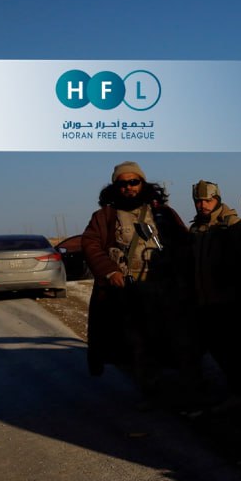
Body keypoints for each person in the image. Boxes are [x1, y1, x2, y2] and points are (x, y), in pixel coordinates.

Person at [81, 161, 191, 385]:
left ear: (143, 183)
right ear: (115, 187)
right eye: (123, 183)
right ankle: (151, 390)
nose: (129, 187)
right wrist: (110, 272)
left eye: (134, 182)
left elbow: (185, 243)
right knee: (138, 341)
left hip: (167, 288)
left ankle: (191, 385)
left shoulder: (163, 213)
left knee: (180, 337)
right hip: (129, 290)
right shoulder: (105, 217)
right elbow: (90, 245)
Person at [189, 180, 241, 411]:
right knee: (220, 350)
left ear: (217, 199)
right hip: (207, 302)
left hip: (231, 302)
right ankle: (239, 393)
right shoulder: (197, 229)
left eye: (207, 200)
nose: (202, 204)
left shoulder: (231, 227)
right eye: (198, 200)